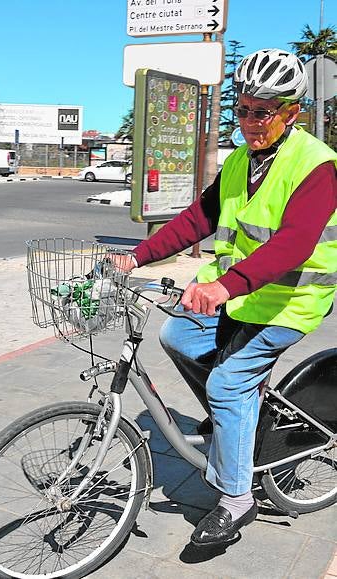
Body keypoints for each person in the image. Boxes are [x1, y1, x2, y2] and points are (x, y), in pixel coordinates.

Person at [115, 48, 337, 546]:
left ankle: (237, 501)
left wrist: (222, 285)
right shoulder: (241, 160)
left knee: (228, 384)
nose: (250, 121)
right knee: (176, 334)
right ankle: (236, 420)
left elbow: (294, 243)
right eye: (243, 108)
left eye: (263, 111)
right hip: (243, 297)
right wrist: (137, 257)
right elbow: (199, 218)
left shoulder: (316, 165)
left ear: (290, 113)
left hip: (289, 303)